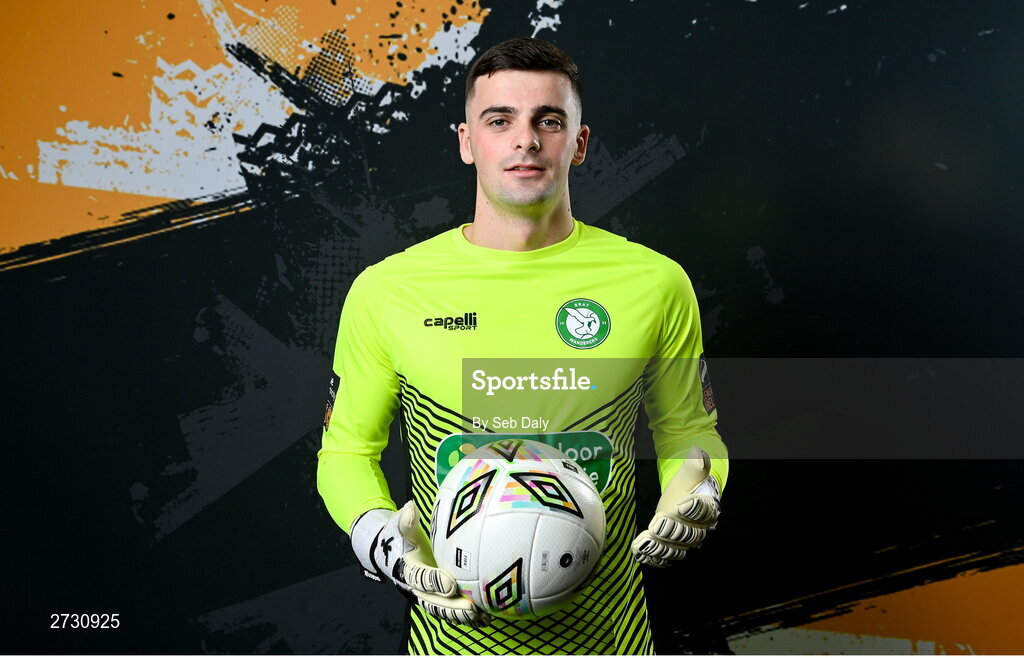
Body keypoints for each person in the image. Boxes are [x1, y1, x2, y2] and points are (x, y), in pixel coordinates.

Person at [317, 36, 729, 655]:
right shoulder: (387, 291)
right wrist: (380, 539)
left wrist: (695, 486)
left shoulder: (655, 283)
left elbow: (688, 430)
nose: (525, 141)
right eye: (499, 119)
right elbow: (344, 452)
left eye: (550, 120)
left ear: (580, 143)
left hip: (611, 643)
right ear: (466, 141)